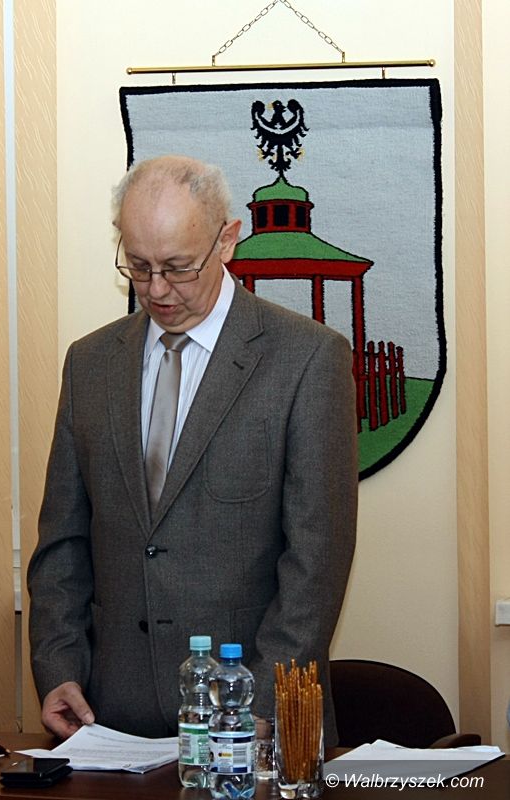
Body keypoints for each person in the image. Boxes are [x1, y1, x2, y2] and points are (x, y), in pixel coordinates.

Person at [28, 154, 358, 743]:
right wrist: (59, 668)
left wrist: (259, 703)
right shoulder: (89, 364)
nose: (157, 290)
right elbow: (63, 543)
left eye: (179, 268)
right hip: (109, 720)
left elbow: (316, 562)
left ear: (226, 240)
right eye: (139, 266)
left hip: (253, 719)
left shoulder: (307, 359)